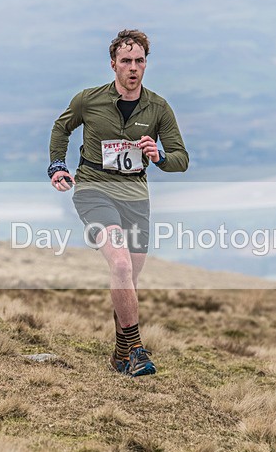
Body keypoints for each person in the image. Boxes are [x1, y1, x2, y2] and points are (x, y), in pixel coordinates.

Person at [48, 29, 189, 377]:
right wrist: (57, 166)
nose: (133, 67)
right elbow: (61, 128)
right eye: (126, 61)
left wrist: (159, 156)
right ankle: (138, 350)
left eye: (139, 61)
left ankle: (120, 356)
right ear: (113, 64)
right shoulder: (89, 100)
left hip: (135, 199)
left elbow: (181, 158)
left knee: (127, 279)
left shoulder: (158, 108)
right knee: (122, 265)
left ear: (145, 65)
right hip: (94, 190)